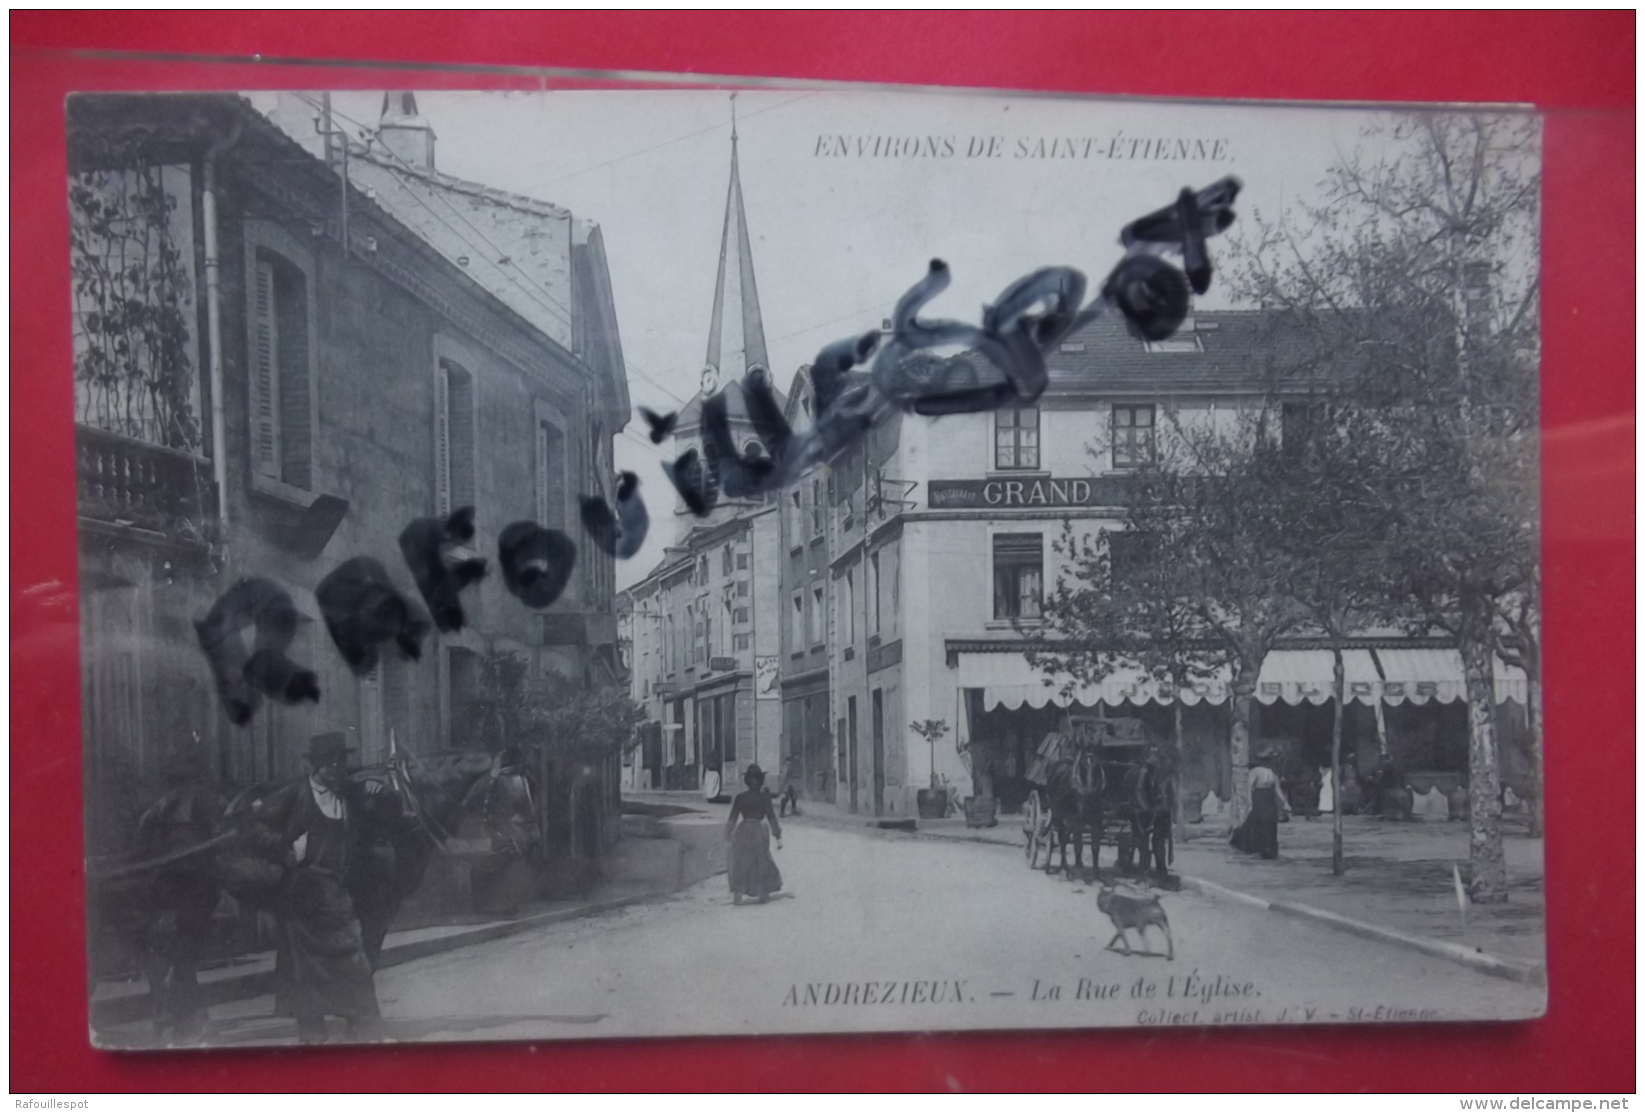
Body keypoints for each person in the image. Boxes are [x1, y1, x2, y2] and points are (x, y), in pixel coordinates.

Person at [244, 733, 382, 1044]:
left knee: (353, 960)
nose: (340, 770)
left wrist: (378, 785)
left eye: (342, 764)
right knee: (305, 969)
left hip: (337, 891)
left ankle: (363, 1031)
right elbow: (254, 826)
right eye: (334, 764)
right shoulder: (295, 793)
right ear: (319, 766)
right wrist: (285, 846)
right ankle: (312, 1033)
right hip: (303, 893)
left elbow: (378, 797)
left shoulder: (347, 792)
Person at [132, 741, 227, 1044]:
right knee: (183, 957)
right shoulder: (205, 799)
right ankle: (184, 1020)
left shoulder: (158, 806)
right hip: (196, 887)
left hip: (163, 887)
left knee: (173, 955)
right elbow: (221, 838)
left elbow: (141, 845)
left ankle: (181, 1020)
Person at [462, 746, 540, 916]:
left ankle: (492, 907)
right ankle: (504, 906)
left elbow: (477, 806)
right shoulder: (522, 780)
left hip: (501, 830)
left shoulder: (497, 781)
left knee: (489, 866)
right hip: (514, 832)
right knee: (505, 867)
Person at [725, 764, 783, 905]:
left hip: (743, 830)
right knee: (761, 860)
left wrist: (728, 834)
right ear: (761, 780)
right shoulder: (764, 798)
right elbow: (771, 817)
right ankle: (762, 892)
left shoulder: (740, 797)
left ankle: (738, 892)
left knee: (742, 861)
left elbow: (732, 818)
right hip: (759, 830)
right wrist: (778, 836)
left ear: (747, 781)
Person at [1230, 749, 1291, 860]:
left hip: (1269, 799)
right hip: (1259, 797)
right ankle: (1251, 846)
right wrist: (1250, 802)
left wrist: (1285, 803)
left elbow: (1278, 790)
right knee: (1257, 822)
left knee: (1270, 823)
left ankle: (1268, 850)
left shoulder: (1273, 774)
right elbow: (1249, 787)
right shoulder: (1255, 771)